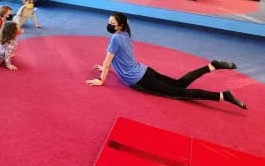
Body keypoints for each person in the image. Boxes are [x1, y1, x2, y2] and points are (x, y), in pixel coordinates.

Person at [86, 12, 247, 110]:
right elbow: (119, 59)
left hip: (139, 80)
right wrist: (105, 67)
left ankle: (222, 96)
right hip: (146, 70)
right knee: (180, 83)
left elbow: (109, 60)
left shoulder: (115, 38)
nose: (109, 25)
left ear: (120, 26)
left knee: (180, 93)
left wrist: (102, 79)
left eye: (112, 23)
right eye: (108, 22)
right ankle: (212, 66)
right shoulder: (125, 35)